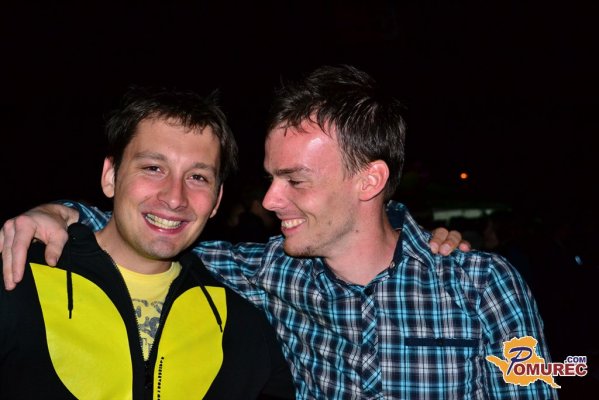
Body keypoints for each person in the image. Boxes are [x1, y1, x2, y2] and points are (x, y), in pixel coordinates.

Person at [0, 66, 529, 399]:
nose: (271, 200)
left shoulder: (482, 284)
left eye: (294, 180)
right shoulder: (268, 272)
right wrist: (60, 214)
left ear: (369, 180)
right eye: (271, 178)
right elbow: (156, 232)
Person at [0, 86, 296, 399]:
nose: (174, 197)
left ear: (217, 200)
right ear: (111, 176)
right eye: (153, 168)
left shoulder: (242, 328)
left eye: (197, 177)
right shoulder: (16, 278)